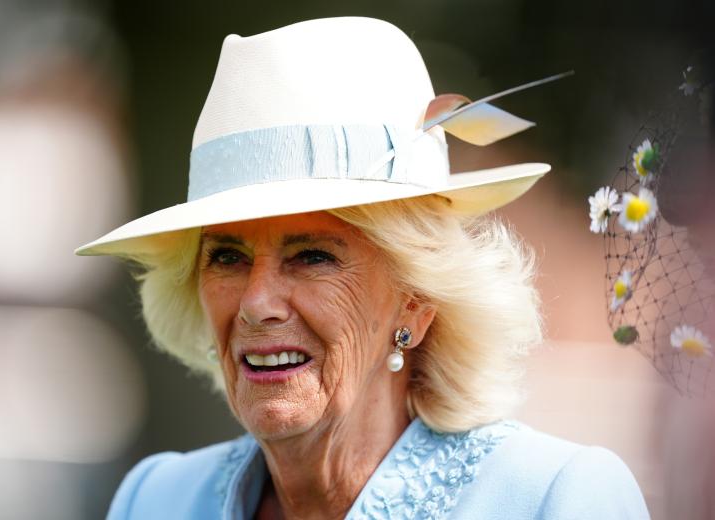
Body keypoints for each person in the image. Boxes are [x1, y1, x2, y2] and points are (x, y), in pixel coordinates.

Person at [77, 16, 650, 519]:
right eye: (228, 256)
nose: (256, 302)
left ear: (417, 300)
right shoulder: (154, 501)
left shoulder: (554, 501)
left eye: (313, 257)